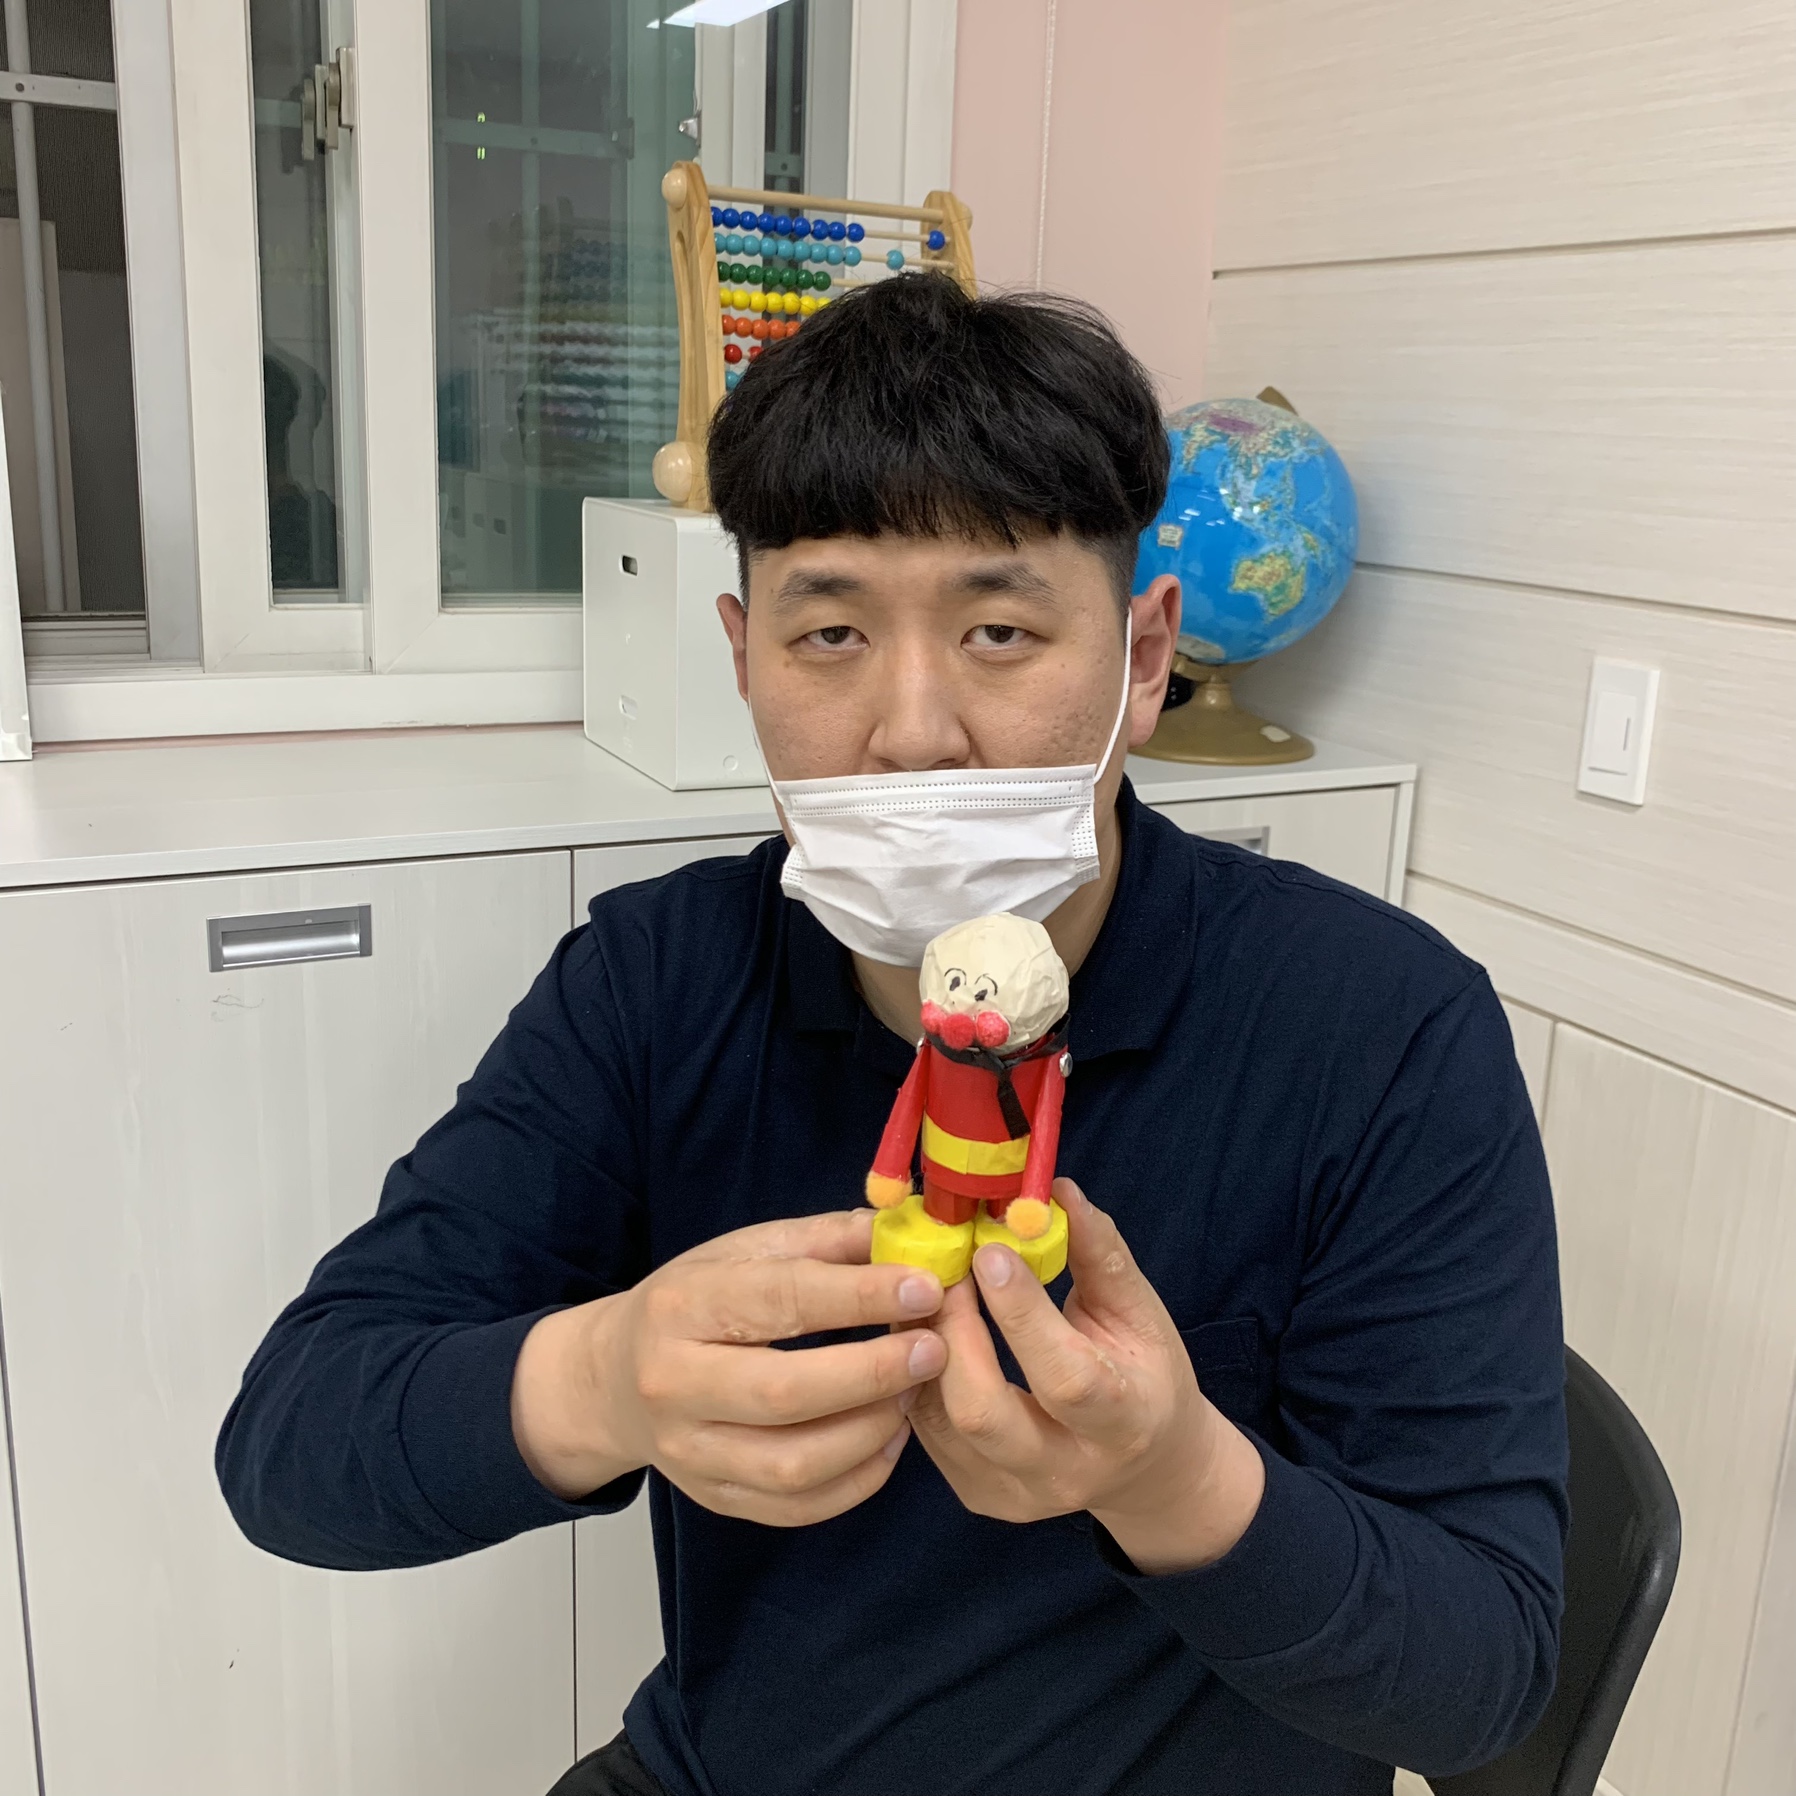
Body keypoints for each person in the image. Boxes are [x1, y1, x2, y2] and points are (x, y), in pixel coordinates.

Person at [217, 274, 1568, 1796]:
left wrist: (1172, 1476)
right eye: (831, 633)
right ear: (743, 659)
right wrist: (607, 1377)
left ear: (1142, 660)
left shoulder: (1376, 1025)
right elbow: (293, 1448)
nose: (913, 729)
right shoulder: (658, 981)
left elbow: (1484, 1680)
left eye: (999, 630)